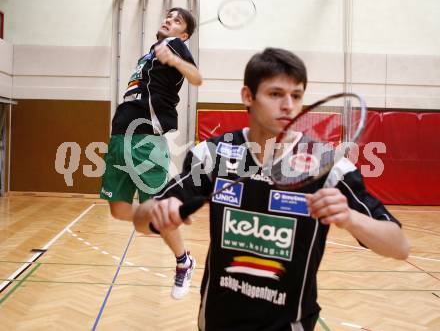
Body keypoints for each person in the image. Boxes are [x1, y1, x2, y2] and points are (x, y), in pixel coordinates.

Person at [133, 48, 410, 330]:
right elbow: (141, 221)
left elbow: (400, 246)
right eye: (276, 94)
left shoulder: (328, 165)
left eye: (297, 95)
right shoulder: (213, 154)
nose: (288, 105)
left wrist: (351, 218)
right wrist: (157, 211)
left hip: (290, 325)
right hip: (218, 320)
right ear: (247, 97)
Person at [100, 7, 202, 299]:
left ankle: (184, 260)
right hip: (121, 135)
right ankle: (170, 213)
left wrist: (175, 60)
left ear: (183, 34)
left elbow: (196, 78)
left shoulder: (175, 46)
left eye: (177, 20)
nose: (168, 20)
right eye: (168, 16)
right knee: (120, 211)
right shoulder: (149, 54)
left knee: (155, 216)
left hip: (146, 138)